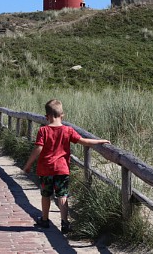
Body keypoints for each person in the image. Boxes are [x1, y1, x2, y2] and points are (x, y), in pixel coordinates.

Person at [23, 99, 110, 233]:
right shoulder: (68, 130)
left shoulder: (43, 131)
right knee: (62, 195)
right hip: (62, 170)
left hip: (45, 170)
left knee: (46, 195)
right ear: (62, 115)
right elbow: (83, 141)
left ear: (47, 116)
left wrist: (28, 164)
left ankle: (45, 220)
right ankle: (64, 223)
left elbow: (38, 148)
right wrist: (100, 141)